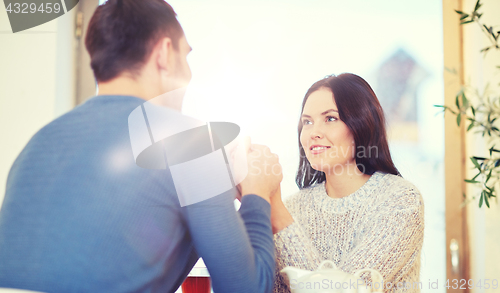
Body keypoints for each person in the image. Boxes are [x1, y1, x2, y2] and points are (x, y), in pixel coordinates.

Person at [0, 1, 281, 292]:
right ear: (163, 54)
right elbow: (246, 289)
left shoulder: (37, 144)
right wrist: (257, 192)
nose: (188, 73)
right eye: (185, 56)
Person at [269, 73, 424, 293]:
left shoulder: (401, 201)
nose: (314, 132)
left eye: (330, 118)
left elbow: (343, 291)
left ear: (361, 125)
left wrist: (275, 209)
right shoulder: (292, 208)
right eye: (307, 122)